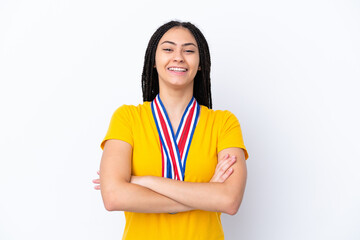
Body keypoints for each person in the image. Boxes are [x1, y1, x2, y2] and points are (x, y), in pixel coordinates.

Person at [92, 20, 249, 240]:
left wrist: (143, 181)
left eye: (189, 51)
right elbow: (113, 196)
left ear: (201, 62)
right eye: (168, 49)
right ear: (154, 61)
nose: (178, 57)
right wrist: (206, 194)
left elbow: (229, 201)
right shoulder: (127, 118)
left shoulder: (224, 123)